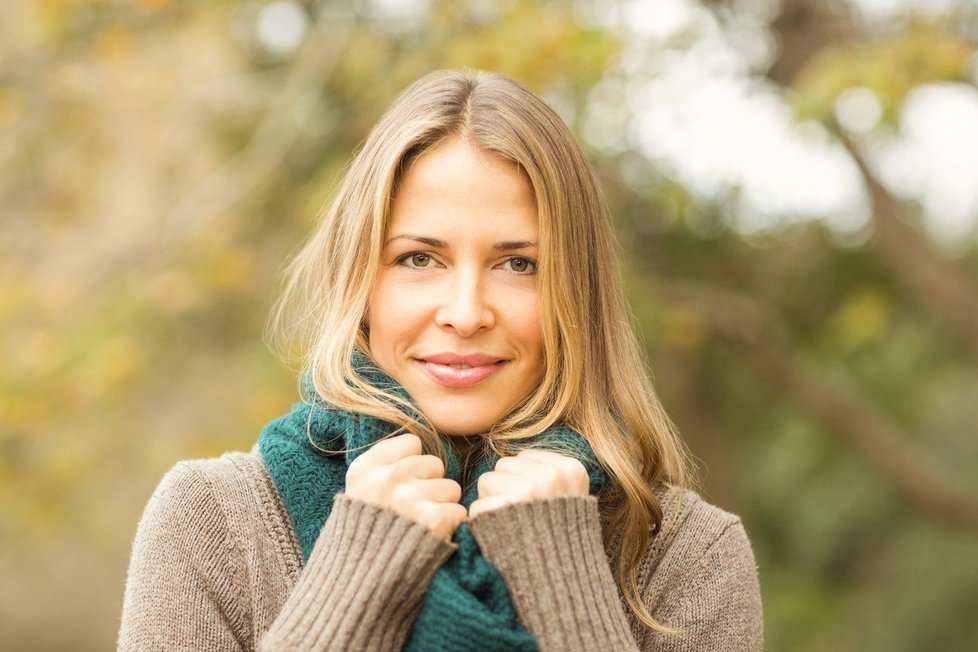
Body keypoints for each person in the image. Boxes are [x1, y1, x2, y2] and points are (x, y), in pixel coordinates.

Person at [119, 69, 763, 651]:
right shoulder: (213, 520)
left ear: (577, 291)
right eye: (419, 259)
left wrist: (564, 582)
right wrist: (352, 582)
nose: (465, 311)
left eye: (518, 264)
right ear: (362, 280)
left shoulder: (685, 554)